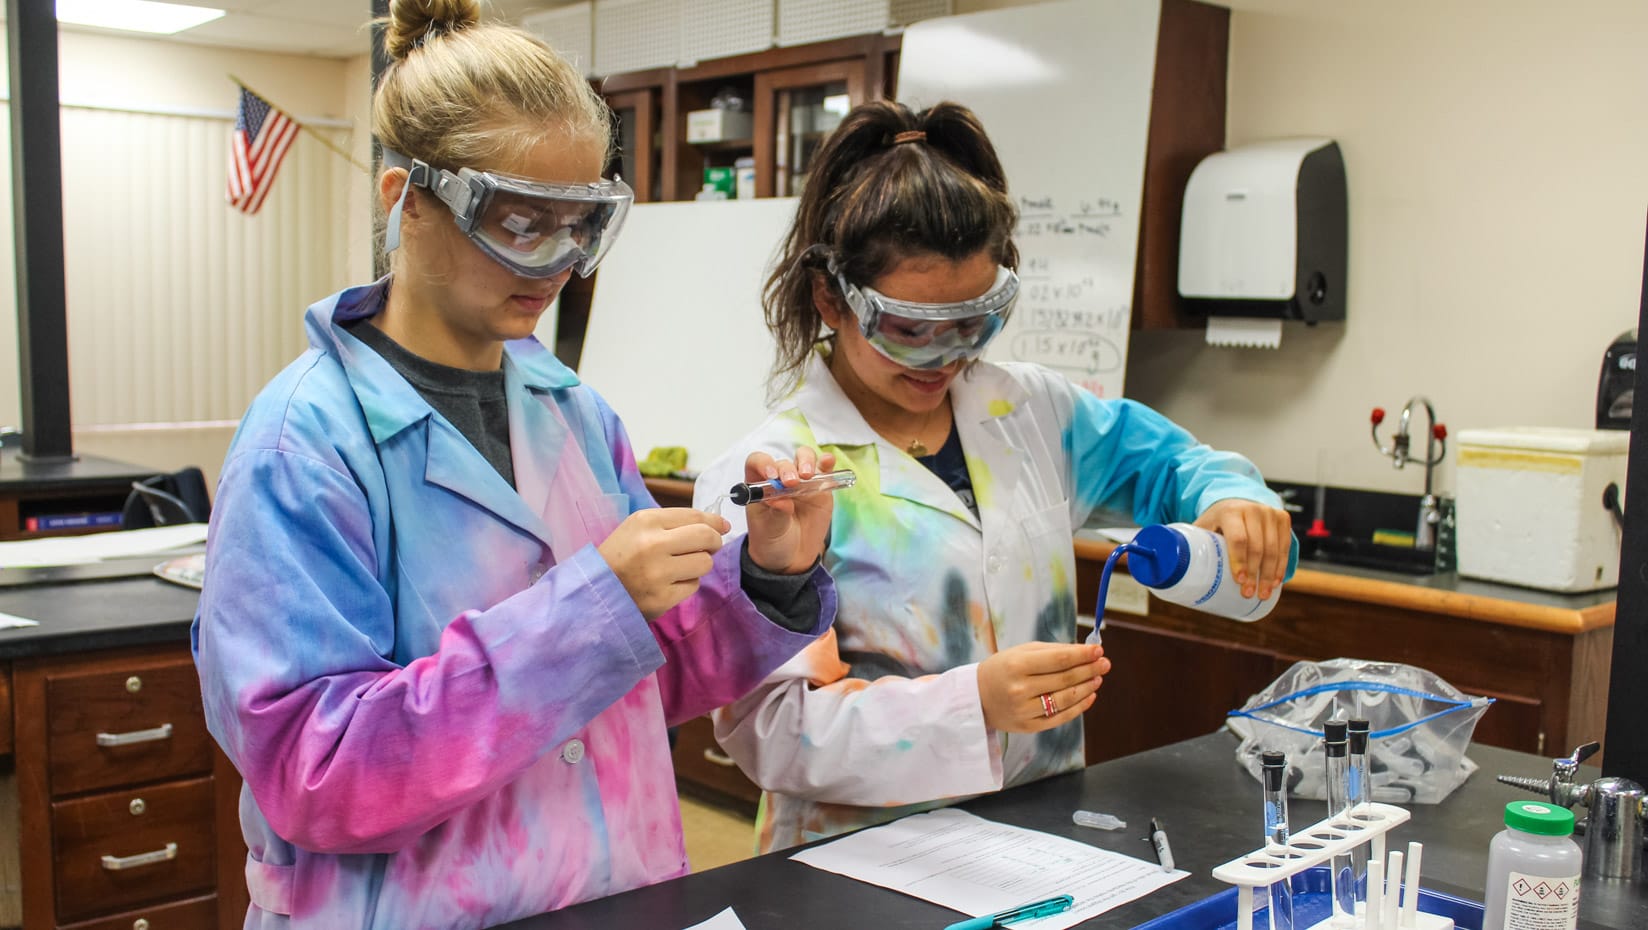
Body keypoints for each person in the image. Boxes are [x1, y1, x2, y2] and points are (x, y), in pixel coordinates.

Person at [191, 2, 837, 926]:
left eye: (581, 224)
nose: (559, 263)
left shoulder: (574, 413)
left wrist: (768, 579)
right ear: (406, 203)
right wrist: (588, 608)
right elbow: (316, 775)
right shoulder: (306, 445)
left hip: (618, 896)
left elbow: (637, 684)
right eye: (520, 222)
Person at [693, 100, 1296, 852]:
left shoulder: (1029, 409)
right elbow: (771, 735)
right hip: (860, 865)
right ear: (831, 299)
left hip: (1044, 841)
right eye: (909, 330)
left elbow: (1173, 465)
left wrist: (1234, 495)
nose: (944, 357)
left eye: (973, 322)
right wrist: (971, 705)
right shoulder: (771, 477)